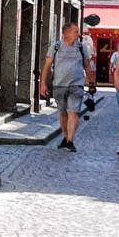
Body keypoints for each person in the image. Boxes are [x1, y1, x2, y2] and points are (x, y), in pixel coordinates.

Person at [39, 22, 95, 152]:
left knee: (73, 112)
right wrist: (43, 84)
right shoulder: (56, 47)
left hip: (77, 85)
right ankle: (65, 137)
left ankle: (70, 140)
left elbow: (87, 66)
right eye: (75, 31)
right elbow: (47, 66)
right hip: (59, 85)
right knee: (63, 113)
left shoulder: (81, 47)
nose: (78, 34)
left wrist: (91, 83)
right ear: (66, 33)